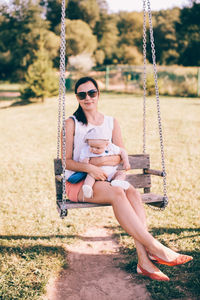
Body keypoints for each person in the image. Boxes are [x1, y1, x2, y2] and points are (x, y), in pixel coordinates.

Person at [63, 76, 193, 281]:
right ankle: (156, 248)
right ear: (77, 98)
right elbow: (67, 162)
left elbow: (121, 157)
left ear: (98, 93)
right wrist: (90, 167)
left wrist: (101, 162)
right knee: (118, 192)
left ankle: (144, 261)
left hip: (107, 179)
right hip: (80, 183)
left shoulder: (111, 122)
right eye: (82, 94)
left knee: (130, 191)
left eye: (92, 93)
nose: (88, 98)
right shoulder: (72, 123)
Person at [79, 127, 131, 199]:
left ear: (106, 144)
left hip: (111, 173)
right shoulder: (86, 150)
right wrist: (84, 161)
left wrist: (126, 162)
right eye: (91, 146)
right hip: (96, 173)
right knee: (90, 176)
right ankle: (87, 187)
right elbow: (81, 160)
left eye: (98, 148)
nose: (94, 149)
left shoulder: (111, 147)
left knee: (121, 173)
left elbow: (122, 151)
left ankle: (117, 181)